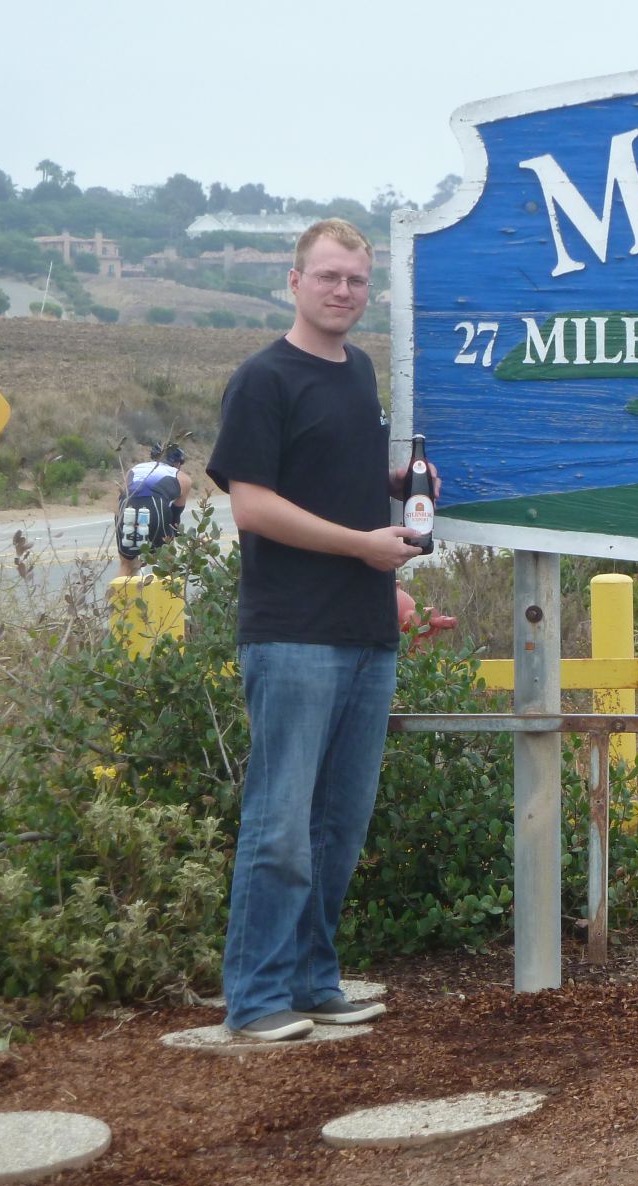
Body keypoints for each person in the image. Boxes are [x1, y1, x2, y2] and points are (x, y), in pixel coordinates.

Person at [206, 218, 438, 1043]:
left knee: (338, 826)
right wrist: (361, 546)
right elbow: (252, 505)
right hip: (292, 633)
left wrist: (397, 485)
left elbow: (330, 477)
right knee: (280, 825)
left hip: (367, 630)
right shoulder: (262, 379)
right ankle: (256, 999)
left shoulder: (361, 372)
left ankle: (312, 980)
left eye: (356, 280)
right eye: (330, 276)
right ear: (294, 280)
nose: (344, 291)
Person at [114, 442, 192, 577]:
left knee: (127, 564)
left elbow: (121, 495)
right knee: (167, 562)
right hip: (156, 504)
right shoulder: (183, 478)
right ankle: (168, 587)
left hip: (126, 506)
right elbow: (175, 518)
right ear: (178, 463)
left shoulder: (134, 469)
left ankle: (122, 590)